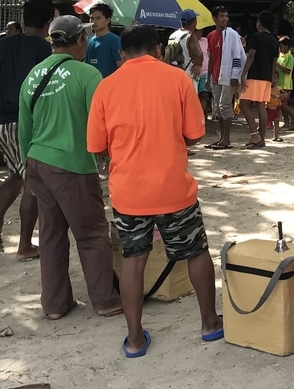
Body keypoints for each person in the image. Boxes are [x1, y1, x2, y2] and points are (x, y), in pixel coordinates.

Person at [88, 24, 223, 356]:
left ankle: (135, 340)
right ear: (159, 50)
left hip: (128, 194)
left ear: (122, 54)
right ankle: (209, 324)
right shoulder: (178, 80)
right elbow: (195, 135)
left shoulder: (106, 87)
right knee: (196, 252)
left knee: (133, 261)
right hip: (173, 189)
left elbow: (97, 146)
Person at [20, 15, 123, 321]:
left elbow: (25, 129)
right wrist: (107, 157)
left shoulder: (33, 75)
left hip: (37, 161)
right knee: (91, 233)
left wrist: (27, 168)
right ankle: (105, 300)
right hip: (72, 163)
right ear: (79, 40)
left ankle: (55, 304)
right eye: (85, 38)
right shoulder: (87, 74)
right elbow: (102, 122)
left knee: (51, 234)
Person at [0, 0, 54, 259]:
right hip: (26, 123)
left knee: (16, 174)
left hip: (2, 120)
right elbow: (43, 91)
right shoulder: (44, 49)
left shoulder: (3, 44)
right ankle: (25, 245)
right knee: (32, 183)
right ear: (48, 22)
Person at [239, 11, 278, 149]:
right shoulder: (274, 40)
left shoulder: (256, 37)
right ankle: (262, 138)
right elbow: (274, 61)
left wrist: (243, 73)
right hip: (267, 77)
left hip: (255, 75)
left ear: (259, 23)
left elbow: (251, 56)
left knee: (243, 104)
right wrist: (272, 77)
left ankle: (254, 134)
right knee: (261, 106)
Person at [206, 6, 243, 150]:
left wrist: (235, 74)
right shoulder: (211, 36)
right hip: (216, 76)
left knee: (225, 105)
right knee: (218, 108)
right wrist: (209, 77)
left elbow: (237, 54)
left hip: (228, 75)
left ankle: (226, 139)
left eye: (226, 16)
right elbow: (211, 58)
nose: (225, 19)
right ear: (215, 18)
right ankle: (222, 138)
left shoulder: (232, 35)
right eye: (221, 16)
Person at [85, 4, 122, 77]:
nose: (94, 21)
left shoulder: (115, 41)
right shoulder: (88, 42)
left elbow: (121, 67)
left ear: (108, 20)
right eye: (92, 18)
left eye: (98, 18)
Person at [275, 36, 294, 131]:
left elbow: (288, 71)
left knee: (282, 103)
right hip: (279, 83)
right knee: (282, 105)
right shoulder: (280, 55)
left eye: (281, 47)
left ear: (287, 46)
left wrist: (277, 65)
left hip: (286, 84)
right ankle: (286, 123)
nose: (280, 49)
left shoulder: (290, 57)